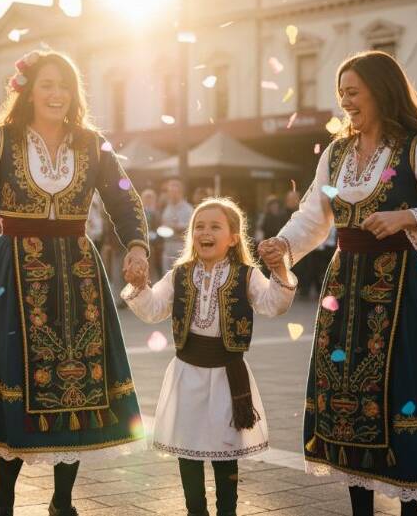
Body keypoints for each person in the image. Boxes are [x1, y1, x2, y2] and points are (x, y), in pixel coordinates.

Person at [259, 51, 417, 515]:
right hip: (345, 288)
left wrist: (406, 216)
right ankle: (359, 503)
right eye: (342, 94)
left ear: (381, 91)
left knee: (401, 389)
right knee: (345, 392)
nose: (346, 102)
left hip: (402, 287)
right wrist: (282, 244)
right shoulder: (337, 153)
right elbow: (312, 217)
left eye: (353, 92)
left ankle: (409, 505)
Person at [0, 50, 151, 516]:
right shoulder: (2, 141)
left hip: (78, 272)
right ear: (28, 91)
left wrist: (137, 247)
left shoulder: (93, 144)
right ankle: (4, 495)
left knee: (75, 374)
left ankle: (62, 499)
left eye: (65, 86)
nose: (57, 94)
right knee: (13, 373)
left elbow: (125, 201)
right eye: (47, 85)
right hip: (15, 270)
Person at [122, 197, 296, 516]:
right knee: (188, 449)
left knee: (225, 448)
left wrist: (280, 268)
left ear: (232, 238)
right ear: (192, 235)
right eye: (199, 226)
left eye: (215, 226)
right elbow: (153, 309)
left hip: (229, 374)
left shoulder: (246, 275)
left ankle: (226, 511)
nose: (206, 231)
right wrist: (139, 285)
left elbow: (275, 304)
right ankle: (195, 511)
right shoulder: (180, 274)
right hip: (187, 372)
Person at [161, 178, 194, 272]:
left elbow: (191, 228)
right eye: (170, 191)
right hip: (167, 247)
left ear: (181, 192)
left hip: (181, 247)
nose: (172, 194)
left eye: (175, 191)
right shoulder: (167, 208)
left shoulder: (188, 209)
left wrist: (176, 227)